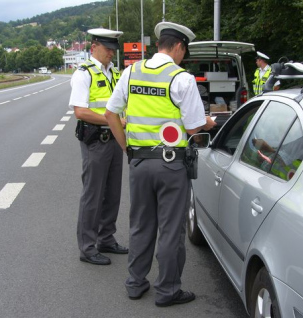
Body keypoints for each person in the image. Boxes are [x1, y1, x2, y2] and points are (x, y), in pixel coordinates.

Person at [105, 21, 216, 306]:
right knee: (170, 229)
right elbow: (193, 129)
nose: (183, 57)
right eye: (184, 52)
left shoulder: (130, 72)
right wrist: (210, 122)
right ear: (178, 47)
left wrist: (128, 149)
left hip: (139, 163)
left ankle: (135, 283)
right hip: (171, 166)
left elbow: (110, 114)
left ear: (158, 45)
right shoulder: (182, 79)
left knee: (140, 225)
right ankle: (167, 291)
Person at [68, 28, 128, 266]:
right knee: (93, 195)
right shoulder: (84, 74)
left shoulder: (113, 72)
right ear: (94, 47)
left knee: (113, 194)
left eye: (114, 50)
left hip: (114, 139)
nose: (111, 54)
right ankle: (87, 246)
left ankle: (106, 238)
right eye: (108, 49)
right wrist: (113, 120)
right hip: (96, 141)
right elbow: (80, 112)